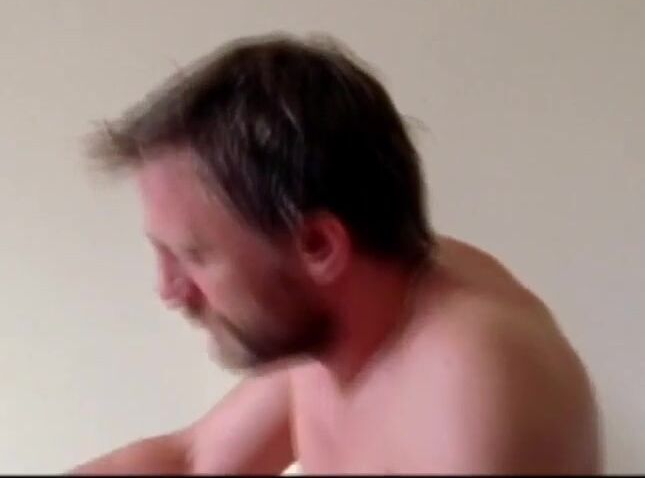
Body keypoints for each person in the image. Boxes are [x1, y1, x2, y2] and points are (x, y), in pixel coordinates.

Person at [70, 34, 602, 475]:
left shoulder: (469, 388)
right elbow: (193, 463)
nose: (170, 291)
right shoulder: (334, 318)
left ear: (319, 247)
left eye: (193, 255)